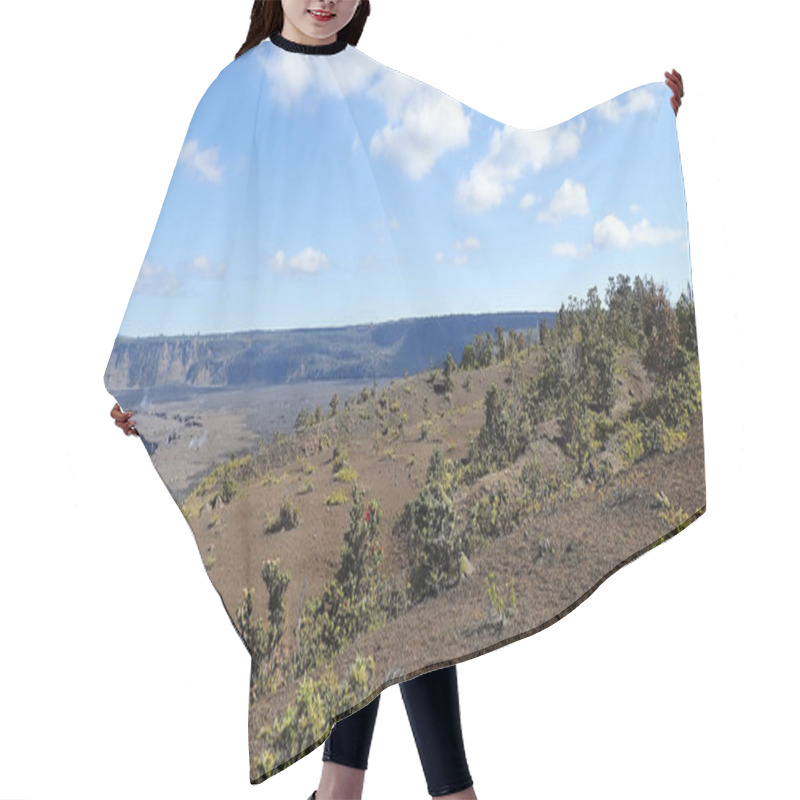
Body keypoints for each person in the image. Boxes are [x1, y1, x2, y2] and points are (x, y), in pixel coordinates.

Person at [110, 2, 685, 798]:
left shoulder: (380, 88)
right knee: (368, 591)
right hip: (300, 396)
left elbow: (503, 164)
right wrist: (146, 381)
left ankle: (353, 790)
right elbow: (191, 238)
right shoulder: (235, 93)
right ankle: (423, 792)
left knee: (399, 585)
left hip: (394, 389)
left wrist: (639, 122)